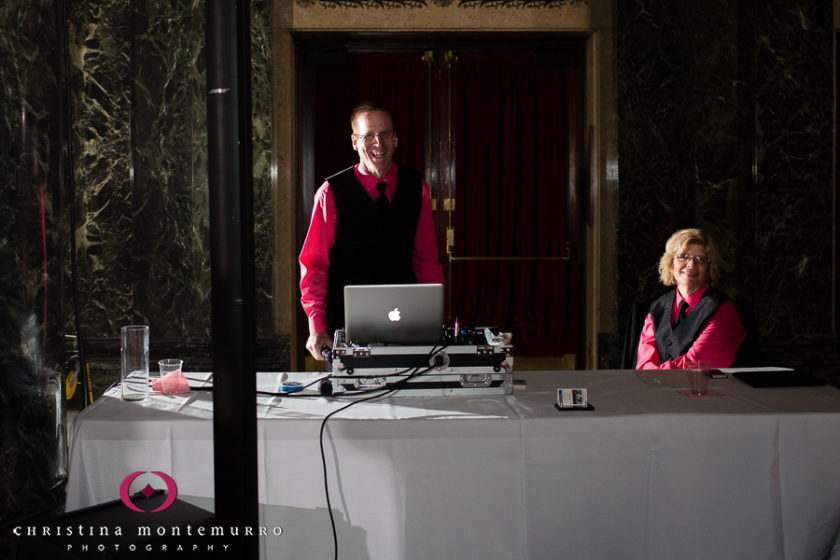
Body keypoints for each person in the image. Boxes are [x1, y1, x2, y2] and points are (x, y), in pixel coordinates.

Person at [299, 101, 444, 361]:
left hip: (405, 323)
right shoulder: (330, 193)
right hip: (345, 330)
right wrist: (317, 326)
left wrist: (432, 317)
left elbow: (427, 261)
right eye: (368, 135)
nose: (379, 143)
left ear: (396, 139)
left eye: (385, 134)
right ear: (355, 141)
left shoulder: (415, 187)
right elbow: (314, 266)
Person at [636, 228, 746, 369]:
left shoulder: (724, 310)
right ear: (670, 264)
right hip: (657, 390)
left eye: (700, 259)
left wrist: (655, 378)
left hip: (709, 390)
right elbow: (644, 364)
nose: (691, 264)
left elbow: (696, 364)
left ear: (709, 267)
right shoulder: (657, 308)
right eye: (683, 256)